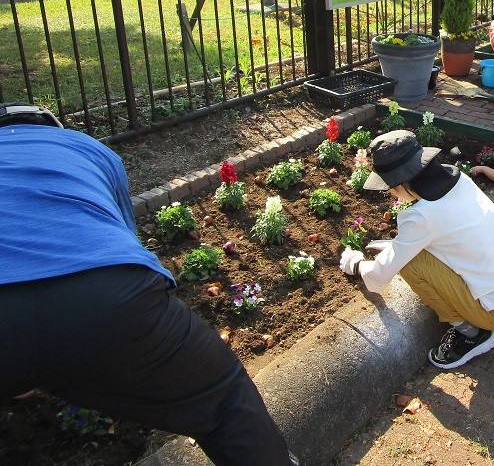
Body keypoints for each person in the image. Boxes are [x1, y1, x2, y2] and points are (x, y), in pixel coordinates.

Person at [0, 103, 295, 466]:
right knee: (224, 400)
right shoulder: (88, 148)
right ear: (52, 128)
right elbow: (125, 236)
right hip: (106, 294)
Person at [339, 131, 494, 369]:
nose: (390, 193)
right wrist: (398, 246)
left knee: (411, 263)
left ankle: (470, 334)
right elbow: (452, 232)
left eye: (390, 187)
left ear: (402, 184)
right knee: (414, 253)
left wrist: (355, 264)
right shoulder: (459, 180)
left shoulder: (420, 217)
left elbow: (380, 275)